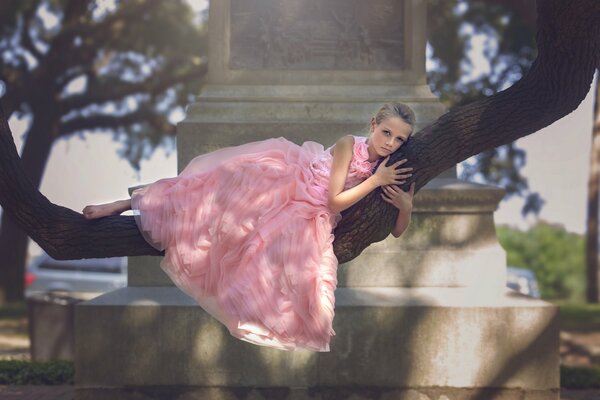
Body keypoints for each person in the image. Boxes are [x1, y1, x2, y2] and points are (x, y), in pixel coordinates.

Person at [82, 103, 416, 352]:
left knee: (312, 299)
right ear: (373, 125)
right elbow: (334, 200)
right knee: (207, 193)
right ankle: (126, 204)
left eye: (399, 139)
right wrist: (375, 181)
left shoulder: (390, 168)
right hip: (295, 182)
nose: (390, 142)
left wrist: (406, 206)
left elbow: (398, 231)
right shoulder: (349, 145)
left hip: (310, 214)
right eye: (386, 132)